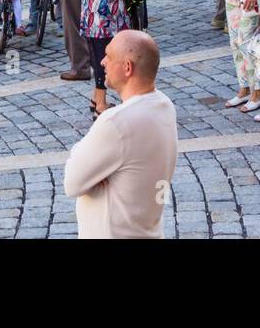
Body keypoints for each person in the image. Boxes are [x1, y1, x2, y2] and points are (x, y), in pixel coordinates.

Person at [62, 30, 177, 238]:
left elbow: (71, 183)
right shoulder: (164, 105)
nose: (103, 62)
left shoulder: (115, 122)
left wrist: (83, 147)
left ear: (127, 68)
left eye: (109, 56)